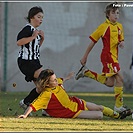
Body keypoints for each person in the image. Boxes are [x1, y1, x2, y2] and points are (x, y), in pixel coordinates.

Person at [75, 2, 128, 113]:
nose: (116, 15)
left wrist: (121, 43)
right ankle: (119, 106)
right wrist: (85, 56)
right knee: (121, 78)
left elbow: (120, 38)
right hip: (107, 57)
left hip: (114, 57)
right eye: (113, 13)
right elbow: (92, 42)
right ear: (108, 15)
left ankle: (86, 73)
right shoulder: (103, 27)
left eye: (118, 13)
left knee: (110, 83)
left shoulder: (120, 26)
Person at [18, 69, 132, 119]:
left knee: (100, 107)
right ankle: (48, 112)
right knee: (99, 115)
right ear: (47, 84)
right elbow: (33, 105)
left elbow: (62, 79)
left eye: (55, 78)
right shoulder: (46, 94)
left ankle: (119, 116)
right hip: (71, 112)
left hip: (75, 102)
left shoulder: (56, 82)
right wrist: (25, 115)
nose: (56, 80)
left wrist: (68, 77)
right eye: (53, 80)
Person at [17, 6, 44, 110]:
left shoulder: (35, 31)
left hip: (34, 61)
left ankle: (25, 102)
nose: (41, 19)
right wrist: (33, 37)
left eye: (42, 17)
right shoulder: (27, 29)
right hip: (26, 62)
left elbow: (34, 48)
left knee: (41, 87)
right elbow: (19, 42)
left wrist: (42, 39)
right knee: (47, 79)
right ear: (32, 17)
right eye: (39, 17)